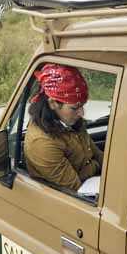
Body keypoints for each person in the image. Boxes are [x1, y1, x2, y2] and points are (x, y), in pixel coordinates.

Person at [23, 63, 103, 191]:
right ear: (53, 103)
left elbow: (95, 153)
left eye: (82, 105)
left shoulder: (69, 119)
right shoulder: (42, 143)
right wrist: (97, 167)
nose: (82, 113)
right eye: (75, 107)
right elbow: (75, 189)